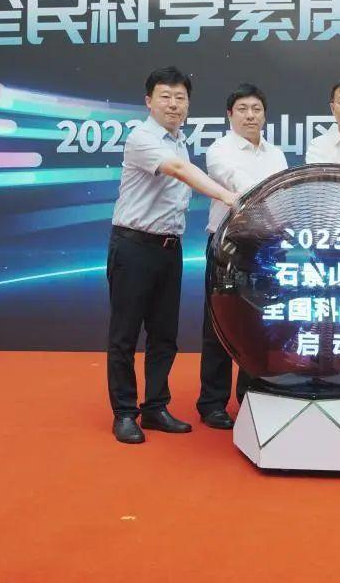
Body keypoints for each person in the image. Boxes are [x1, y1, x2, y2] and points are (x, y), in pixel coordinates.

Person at [107, 66, 239, 445]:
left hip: (169, 248)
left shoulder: (179, 140)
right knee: (124, 336)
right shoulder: (142, 138)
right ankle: (124, 413)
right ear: (149, 101)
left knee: (164, 336)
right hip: (134, 246)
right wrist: (227, 196)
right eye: (165, 96)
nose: (174, 104)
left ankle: (155, 407)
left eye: (181, 98)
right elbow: (179, 171)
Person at [195, 83, 288, 429]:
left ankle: (252, 395)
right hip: (228, 245)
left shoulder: (276, 154)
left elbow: (284, 196)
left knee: (261, 324)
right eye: (243, 109)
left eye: (256, 109)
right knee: (219, 324)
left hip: (267, 247)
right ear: (230, 114)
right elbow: (238, 183)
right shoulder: (219, 150)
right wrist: (269, 200)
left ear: (265, 114)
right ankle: (212, 403)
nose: (251, 115)